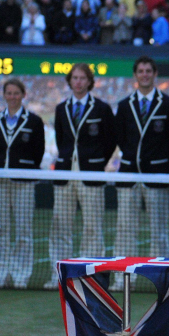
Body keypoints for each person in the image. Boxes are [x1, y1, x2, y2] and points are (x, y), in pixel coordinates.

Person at [46, 63, 116, 290]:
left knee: (93, 226)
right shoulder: (61, 108)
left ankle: (92, 277)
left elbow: (109, 141)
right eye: (74, 78)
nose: (78, 81)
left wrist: (95, 162)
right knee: (60, 226)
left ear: (89, 81)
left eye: (82, 78)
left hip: (91, 174)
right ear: (70, 81)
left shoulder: (102, 108)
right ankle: (58, 275)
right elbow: (62, 140)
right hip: (66, 174)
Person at [113, 56, 169, 278]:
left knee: (159, 231)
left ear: (154, 74)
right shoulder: (124, 105)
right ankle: (124, 276)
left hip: (157, 175)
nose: (144, 74)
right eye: (140, 71)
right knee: (124, 230)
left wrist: (160, 163)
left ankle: (159, 276)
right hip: (128, 176)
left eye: (148, 71)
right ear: (135, 75)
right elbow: (121, 139)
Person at [0, 79, 45, 289]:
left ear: (23, 95)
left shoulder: (34, 121)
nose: (12, 96)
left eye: (16, 93)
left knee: (23, 229)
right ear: (4, 95)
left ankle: (21, 275)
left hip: (23, 181)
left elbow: (38, 151)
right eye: (9, 93)